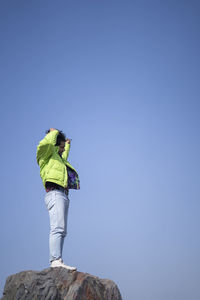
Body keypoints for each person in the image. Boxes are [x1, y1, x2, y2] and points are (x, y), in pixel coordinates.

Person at [36, 128, 80, 270]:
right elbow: (45, 143)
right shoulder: (45, 154)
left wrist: (67, 144)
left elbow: (64, 154)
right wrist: (53, 133)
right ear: (54, 144)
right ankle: (55, 260)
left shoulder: (59, 158)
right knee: (57, 228)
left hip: (63, 194)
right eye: (60, 147)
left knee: (62, 231)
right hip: (54, 193)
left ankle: (58, 259)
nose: (62, 150)